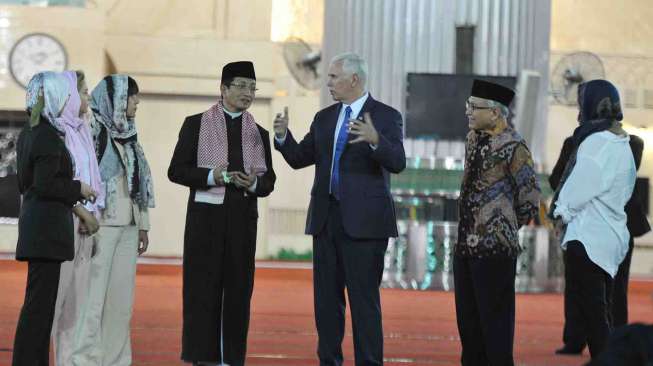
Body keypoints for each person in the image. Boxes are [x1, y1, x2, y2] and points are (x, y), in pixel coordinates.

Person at [273, 52, 406, 365]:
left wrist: (376, 141)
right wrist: (282, 137)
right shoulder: (325, 118)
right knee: (326, 306)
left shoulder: (386, 116)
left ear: (354, 80)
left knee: (364, 304)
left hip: (365, 227)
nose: (328, 82)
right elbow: (298, 158)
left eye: (334, 77)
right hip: (325, 222)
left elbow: (398, 162)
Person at [168, 61, 276, 366]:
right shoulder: (196, 124)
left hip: (242, 221)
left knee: (240, 291)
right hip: (206, 222)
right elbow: (176, 171)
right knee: (203, 289)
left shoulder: (259, 133)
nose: (248, 93)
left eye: (252, 87)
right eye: (241, 85)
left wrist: (253, 182)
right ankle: (202, 357)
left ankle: (232, 358)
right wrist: (213, 177)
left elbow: (268, 181)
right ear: (223, 88)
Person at [454, 79, 540, 366]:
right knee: (469, 327)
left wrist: (501, 224)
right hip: (465, 246)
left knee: (496, 329)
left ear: (495, 113)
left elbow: (530, 197)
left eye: (474, 107)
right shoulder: (472, 139)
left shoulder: (515, 146)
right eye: (468, 105)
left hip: (495, 251)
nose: (468, 112)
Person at [13, 71, 96, 365]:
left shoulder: (32, 131)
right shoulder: (47, 135)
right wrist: (79, 188)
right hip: (46, 231)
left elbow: (26, 182)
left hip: (39, 229)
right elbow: (45, 184)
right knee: (39, 309)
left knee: (39, 307)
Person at [550, 79, 636, 359]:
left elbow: (577, 189)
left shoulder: (595, 142)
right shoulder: (622, 140)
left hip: (587, 239)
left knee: (593, 312)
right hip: (612, 237)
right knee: (603, 308)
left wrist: (559, 212)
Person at [75, 74, 155, 365]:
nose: (136, 102)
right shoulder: (91, 129)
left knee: (121, 302)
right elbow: (82, 174)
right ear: (115, 99)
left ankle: (117, 360)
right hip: (100, 226)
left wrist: (143, 223)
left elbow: (139, 182)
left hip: (129, 225)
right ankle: (84, 359)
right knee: (93, 300)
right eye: (131, 96)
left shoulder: (130, 133)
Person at [551, 134, 650, 355]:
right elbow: (558, 177)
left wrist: (563, 210)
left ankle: (609, 345)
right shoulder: (581, 142)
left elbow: (563, 181)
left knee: (600, 294)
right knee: (593, 291)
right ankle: (587, 341)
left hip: (603, 231)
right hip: (596, 231)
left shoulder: (625, 143)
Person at [50, 70, 104, 366]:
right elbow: (58, 181)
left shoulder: (81, 129)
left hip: (85, 223)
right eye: (83, 92)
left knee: (74, 308)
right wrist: (80, 210)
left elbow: (89, 177)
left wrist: (92, 214)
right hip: (64, 221)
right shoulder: (56, 133)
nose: (88, 98)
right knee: (55, 303)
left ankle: (67, 362)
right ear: (69, 95)